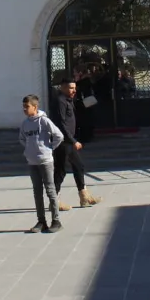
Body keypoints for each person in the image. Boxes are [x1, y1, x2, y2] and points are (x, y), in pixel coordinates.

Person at [50, 80, 101, 210]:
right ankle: (54, 201)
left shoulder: (68, 100)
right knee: (60, 170)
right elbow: (61, 124)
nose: (74, 90)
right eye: (71, 88)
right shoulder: (60, 101)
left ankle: (84, 196)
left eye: (74, 87)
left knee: (79, 166)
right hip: (62, 142)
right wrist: (73, 141)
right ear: (62, 88)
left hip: (68, 141)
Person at [18, 95, 63, 234]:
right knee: (37, 191)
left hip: (45, 161)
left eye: (27, 107)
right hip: (32, 162)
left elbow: (59, 136)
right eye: (23, 107)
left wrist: (49, 148)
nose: (24, 109)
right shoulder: (25, 123)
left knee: (50, 190)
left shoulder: (44, 121)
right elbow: (22, 138)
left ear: (35, 107)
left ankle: (56, 220)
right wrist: (28, 150)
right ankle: (41, 221)